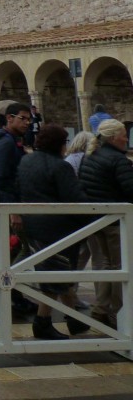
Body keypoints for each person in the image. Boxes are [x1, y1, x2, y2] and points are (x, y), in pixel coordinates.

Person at [16, 123, 91, 339]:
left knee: (59, 274)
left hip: (32, 226)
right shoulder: (60, 167)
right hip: (57, 230)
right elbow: (75, 199)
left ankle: (75, 320)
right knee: (55, 276)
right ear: (60, 144)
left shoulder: (27, 160)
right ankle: (42, 322)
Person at [77, 118, 133, 330]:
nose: (126, 138)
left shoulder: (91, 156)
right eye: (123, 134)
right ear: (113, 137)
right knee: (120, 266)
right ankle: (118, 311)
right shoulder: (118, 160)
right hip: (115, 220)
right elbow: (130, 188)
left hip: (95, 218)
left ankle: (101, 307)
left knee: (103, 264)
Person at [0, 101, 36, 315]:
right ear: (9, 118)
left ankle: (13, 295)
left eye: (29, 119)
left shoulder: (11, 141)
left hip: (11, 203)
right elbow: (4, 179)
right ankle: (6, 290)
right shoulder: (6, 144)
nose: (27, 122)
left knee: (14, 249)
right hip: (9, 205)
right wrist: (12, 210)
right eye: (23, 118)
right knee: (23, 249)